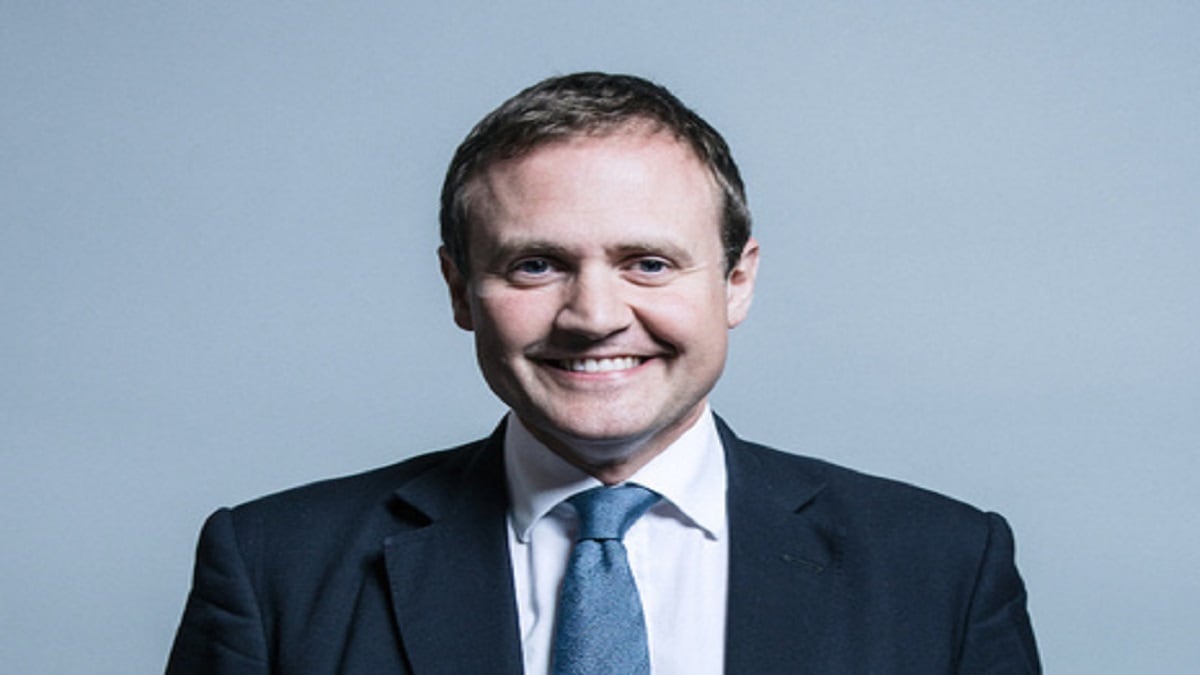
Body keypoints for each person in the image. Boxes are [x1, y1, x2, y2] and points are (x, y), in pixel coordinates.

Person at [167, 72, 1040, 674]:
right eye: (536, 265)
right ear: (460, 289)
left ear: (736, 281)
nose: (593, 315)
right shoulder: (275, 569)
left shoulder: (942, 567)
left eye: (648, 263)